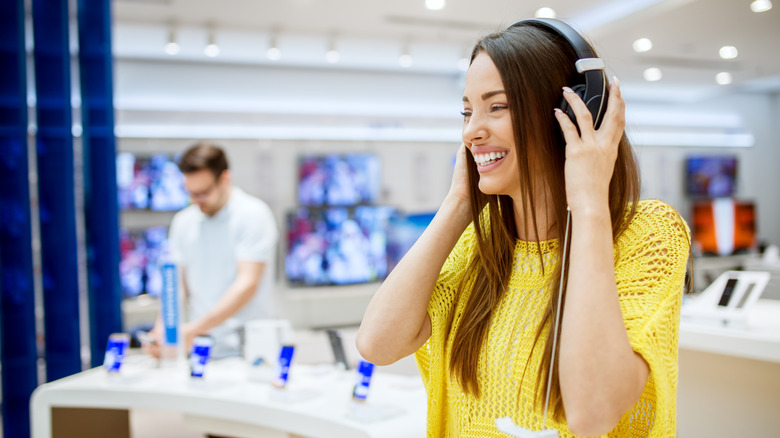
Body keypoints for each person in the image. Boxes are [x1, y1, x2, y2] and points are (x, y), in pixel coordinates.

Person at [356, 19, 690, 438]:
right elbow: (377, 344)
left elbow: (593, 412)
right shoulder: (482, 242)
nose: (470, 131)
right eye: (467, 111)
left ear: (571, 113)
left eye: (497, 107)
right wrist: (459, 203)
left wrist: (587, 201)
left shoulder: (647, 232)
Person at [144, 142, 279, 359]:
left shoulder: (253, 215)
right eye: (191, 193)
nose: (196, 200)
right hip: (202, 347)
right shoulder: (183, 222)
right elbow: (177, 286)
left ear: (225, 178)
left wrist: (196, 329)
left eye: (204, 192)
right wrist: (162, 331)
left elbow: (247, 284)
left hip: (248, 349)